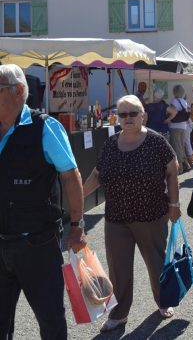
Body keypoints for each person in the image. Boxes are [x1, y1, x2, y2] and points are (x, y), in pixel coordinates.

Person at [0, 64, 86, 340]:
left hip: (36, 242)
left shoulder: (45, 127)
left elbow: (71, 177)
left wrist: (77, 225)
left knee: (50, 320)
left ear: (19, 91)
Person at [83, 94, 181, 332]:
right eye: (123, 114)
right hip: (116, 217)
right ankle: (119, 313)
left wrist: (174, 206)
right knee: (118, 268)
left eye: (132, 113)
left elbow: (172, 170)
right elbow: (97, 174)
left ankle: (163, 302)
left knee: (156, 263)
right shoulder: (110, 143)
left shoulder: (156, 142)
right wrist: (78, 198)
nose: (127, 118)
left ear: (143, 116)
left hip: (151, 215)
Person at [167, 84, 192, 174]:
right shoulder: (184, 101)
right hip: (183, 126)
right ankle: (187, 164)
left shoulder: (174, 101)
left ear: (174, 92)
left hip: (174, 126)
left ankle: (180, 167)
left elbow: (171, 112)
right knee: (181, 146)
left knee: (176, 146)